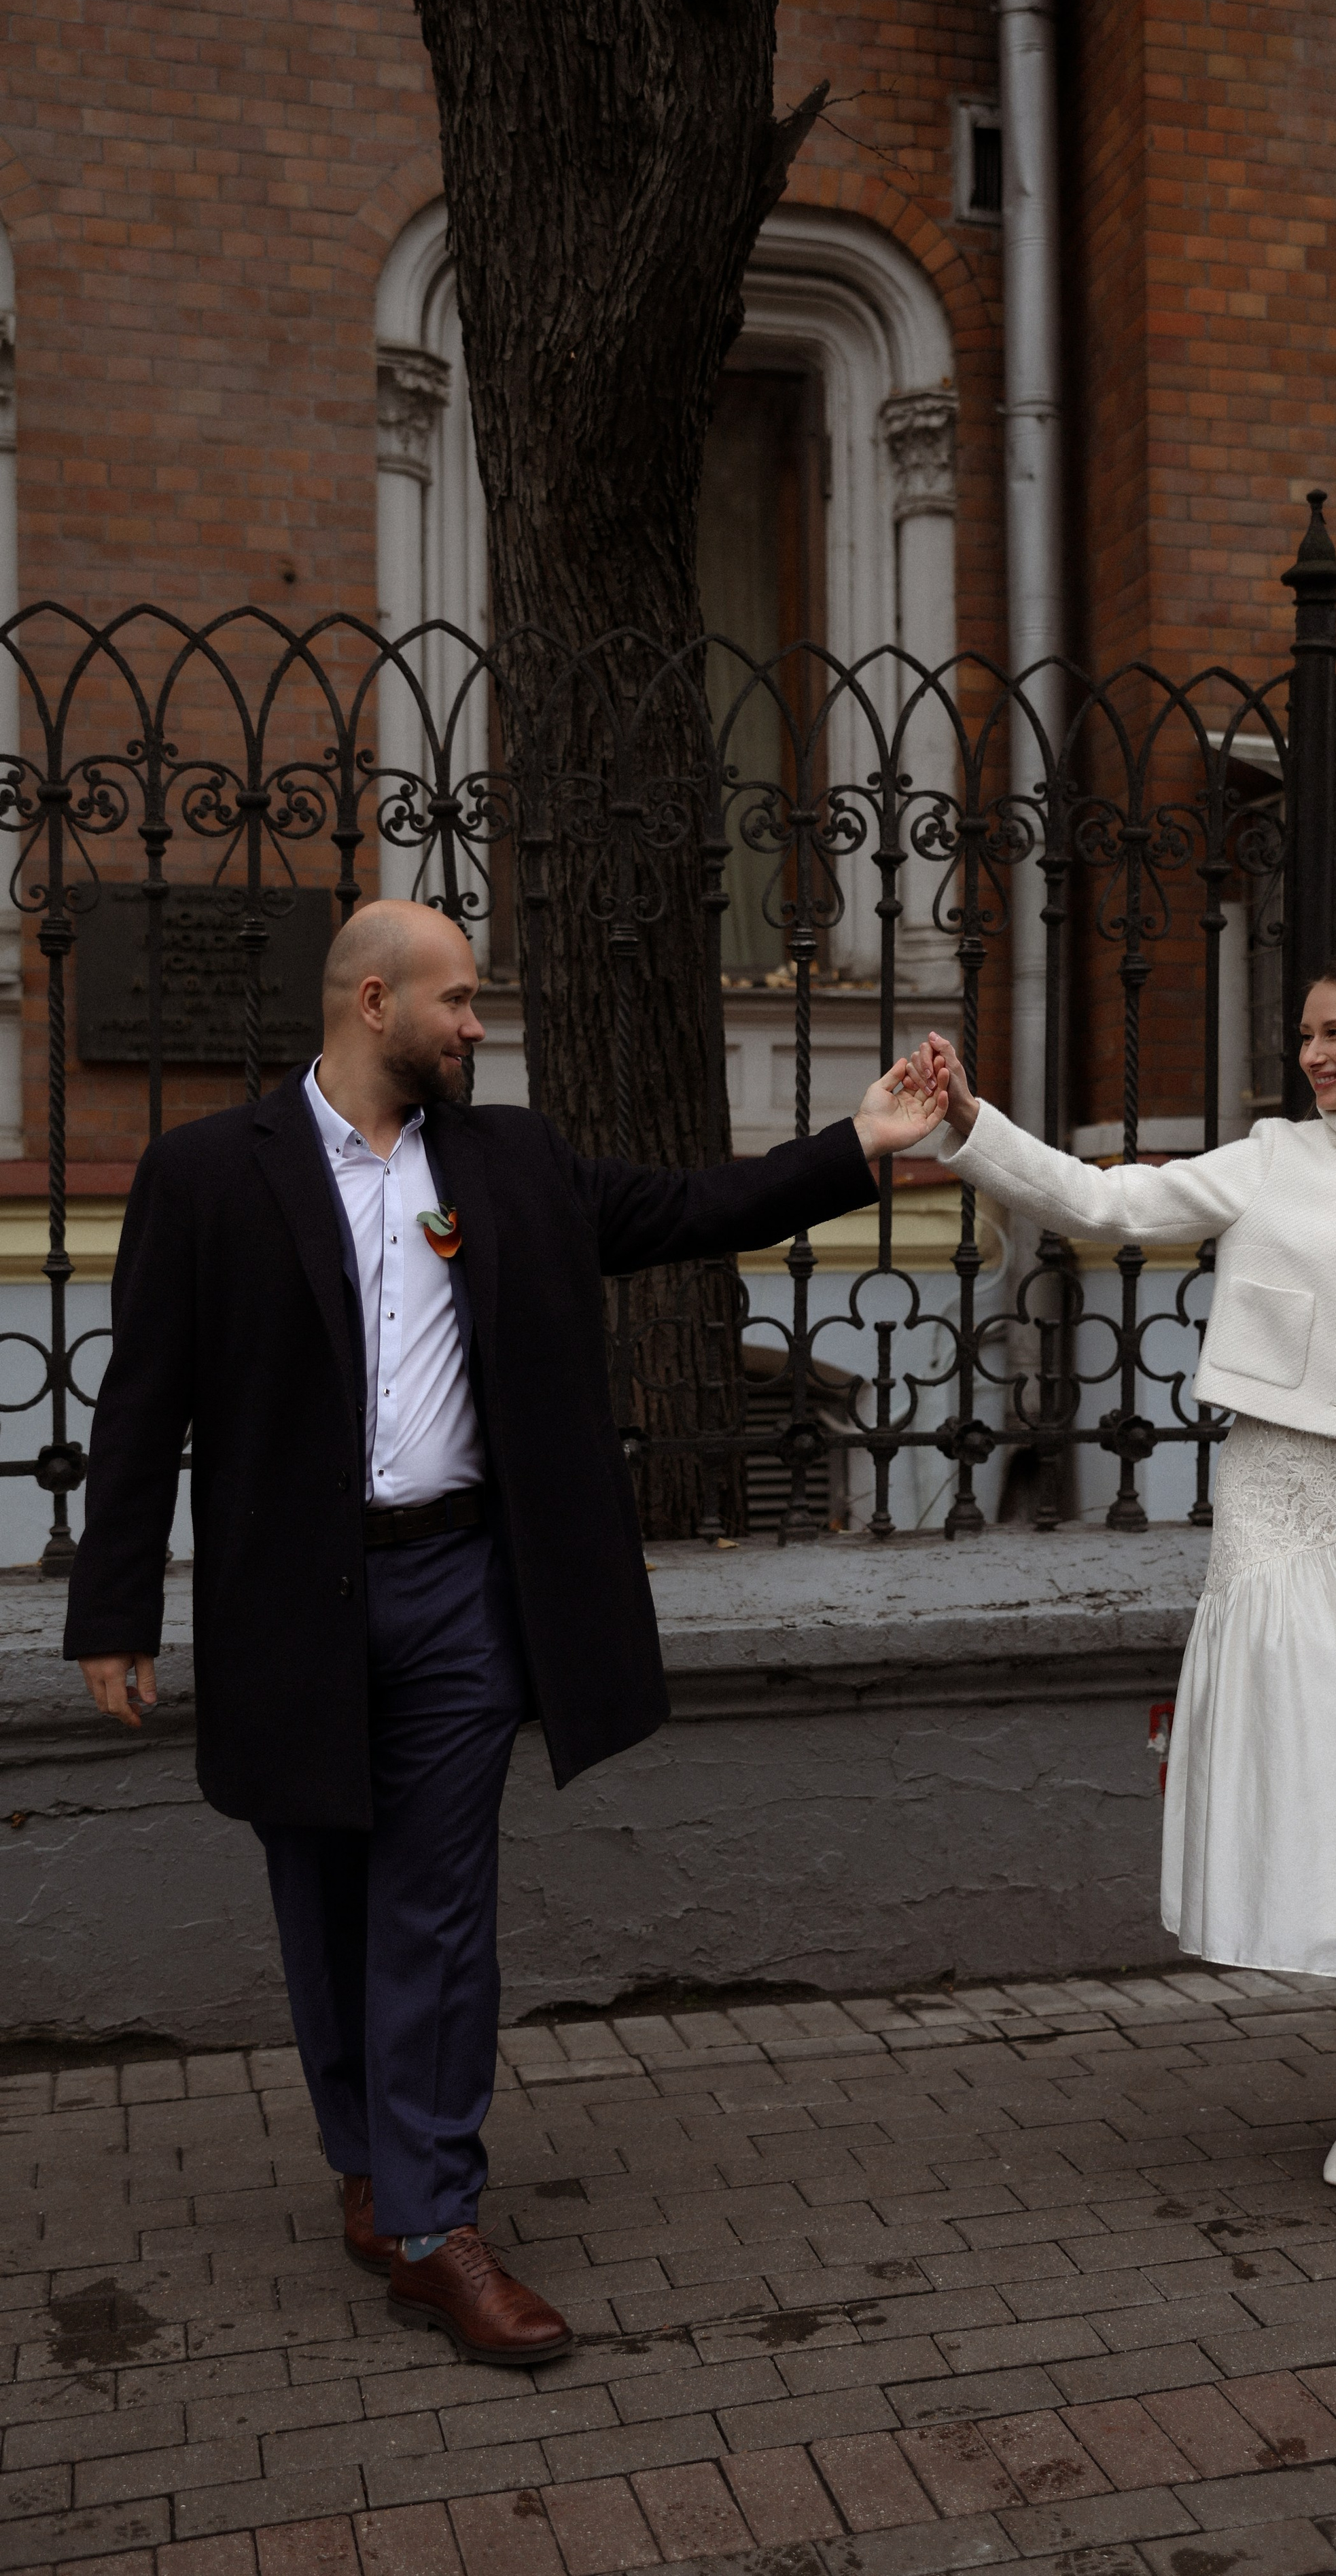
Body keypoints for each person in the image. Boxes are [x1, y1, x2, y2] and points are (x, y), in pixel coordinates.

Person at [66, 898, 946, 2365]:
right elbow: (142, 1402)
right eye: (459, 1002)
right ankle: (372, 2163)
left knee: (436, 1909)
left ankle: (432, 2220)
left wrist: (857, 1144)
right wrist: (115, 1605)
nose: (479, 1027)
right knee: (324, 1904)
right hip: (295, 1605)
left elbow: (683, 1210)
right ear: (370, 1003)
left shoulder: (512, 1161)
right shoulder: (212, 1173)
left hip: (464, 1593)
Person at [916, 948, 1336, 2271]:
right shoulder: (1266, 1159)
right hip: (1281, 1506)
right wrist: (967, 1126)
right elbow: (1101, 1200)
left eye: (1335, 1033)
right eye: (1304, 1036)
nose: (1313, 1054)